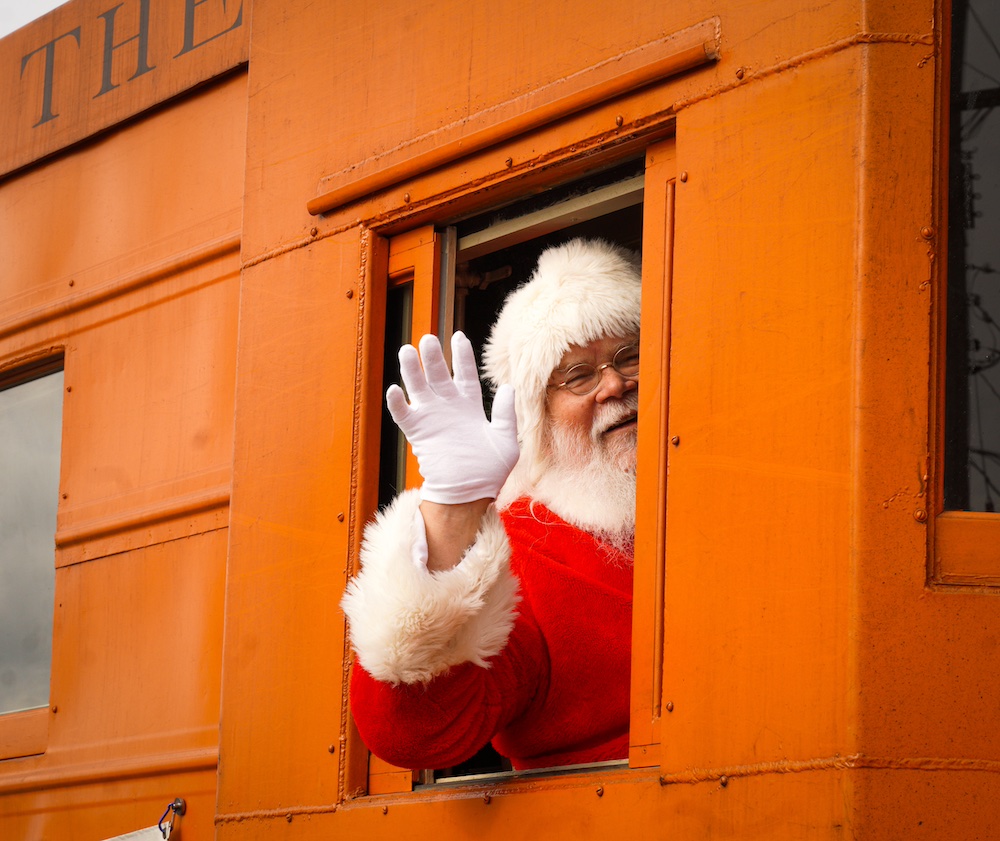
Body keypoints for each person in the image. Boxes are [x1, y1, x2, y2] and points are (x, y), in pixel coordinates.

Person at [341, 237, 642, 771]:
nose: (615, 385)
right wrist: (452, 511)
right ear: (539, 418)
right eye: (578, 374)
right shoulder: (523, 552)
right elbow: (411, 735)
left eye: (630, 356)